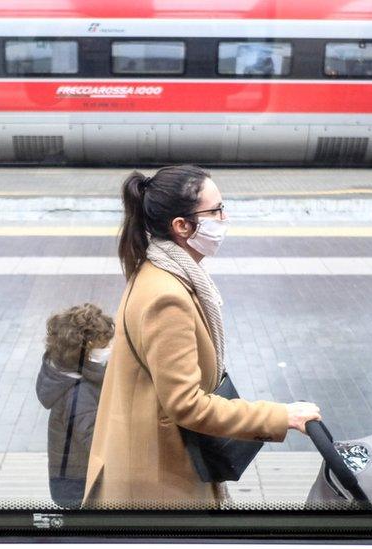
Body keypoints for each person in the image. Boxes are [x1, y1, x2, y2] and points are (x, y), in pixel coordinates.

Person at [81, 165, 322, 509]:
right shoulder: (168, 297)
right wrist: (281, 416)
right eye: (216, 211)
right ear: (182, 226)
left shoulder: (158, 271)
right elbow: (187, 405)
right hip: (157, 483)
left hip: (145, 459)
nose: (225, 218)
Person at [35, 303, 114, 509]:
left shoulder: (64, 374)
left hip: (67, 477)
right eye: (104, 346)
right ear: (85, 353)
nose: (109, 350)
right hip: (80, 484)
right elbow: (98, 441)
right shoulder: (80, 393)